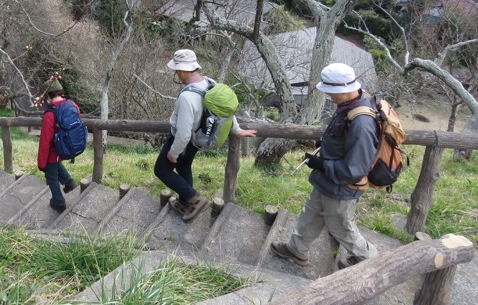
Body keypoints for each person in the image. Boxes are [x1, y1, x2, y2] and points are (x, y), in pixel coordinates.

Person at [271, 62, 379, 269]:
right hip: (328, 181)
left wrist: (322, 165)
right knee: (310, 213)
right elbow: (344, 140)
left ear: (344, 89)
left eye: (332, 92)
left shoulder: (362, 122)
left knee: (340, 227)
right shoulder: (351, 103)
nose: (330, 96)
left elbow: (355, 169)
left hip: (341, 186)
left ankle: (370, 260)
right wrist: (327, 145)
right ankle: (297, 250)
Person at [155, 49, 257, 222]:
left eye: (176, 71)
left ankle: (194, 199)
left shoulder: (187, 97)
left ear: (180, 70)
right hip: (198, 140)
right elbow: (224, 112)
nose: (176, 75)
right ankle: (184, 203)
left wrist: (174, 152)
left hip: (183, 141)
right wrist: (237, 130)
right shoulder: (210, 84)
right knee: (183, 168)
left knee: (162, 170)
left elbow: (184, 133)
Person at [37, 78, 79, 212]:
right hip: (67, 146)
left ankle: (58, 202)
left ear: (49, 95)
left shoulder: (50, 115)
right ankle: (69, 182)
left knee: (51, 174)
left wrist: (41, 163)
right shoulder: (72, 105)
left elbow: (45, 141)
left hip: (53, 151)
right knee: (55, 164)